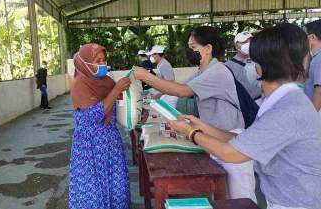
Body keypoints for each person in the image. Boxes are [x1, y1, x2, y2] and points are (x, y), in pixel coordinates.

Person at [170, 23, 321, 209]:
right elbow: (245, 140)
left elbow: (232, 153)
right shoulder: (278, 101)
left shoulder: (288, 109)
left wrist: (192, 132)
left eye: (251, 61)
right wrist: (203, 126)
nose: (249, 66)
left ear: (261, 67)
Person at [134, 26, 256, 202]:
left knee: (242, 200)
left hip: (231, 139)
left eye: (193, 48)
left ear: (208, 49)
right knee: (224, 199)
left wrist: (145, 76)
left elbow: (182, 90)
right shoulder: (203, 71)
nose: (189, 51)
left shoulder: (217, 72)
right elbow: (175, 88)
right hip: (215, 137)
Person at [69, 43, 131, 209]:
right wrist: (116, 89)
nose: (103, 64)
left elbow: (117, 108)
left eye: (104, 60)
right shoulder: (79, 85)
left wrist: (134, 110)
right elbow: (94, 115)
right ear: (85, 63)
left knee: (115, 188)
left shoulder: (107, 81)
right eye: (97, 61)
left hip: (111, 143)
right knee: (93, 192)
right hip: (90, 149)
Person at [225, 31, 261, 99]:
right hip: (244, 106)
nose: (248, 44)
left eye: (250, 41)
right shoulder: (228, 67)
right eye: (244, 42)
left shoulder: (261, 61)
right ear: (236, 45)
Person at [304, 20, 321, 113]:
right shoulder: (316, 57)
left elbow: (319, 91)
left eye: (305, 36)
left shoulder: (319, 59)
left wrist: (312, 117)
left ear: (313, 37)